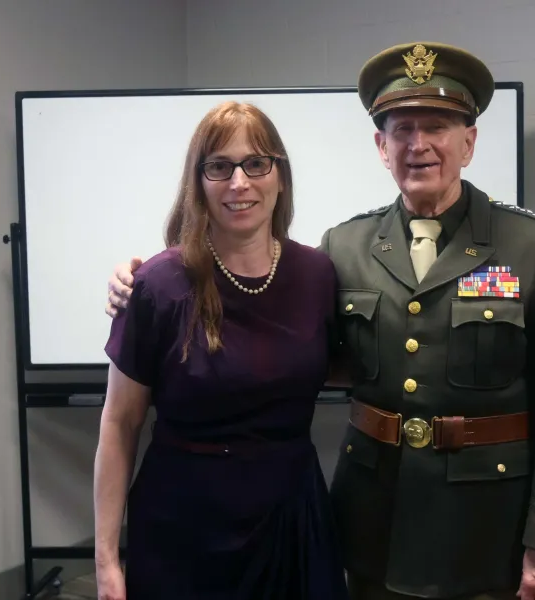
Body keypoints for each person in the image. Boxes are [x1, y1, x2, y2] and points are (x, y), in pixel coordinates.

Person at [107, 41, 535, 600]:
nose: (418, 145)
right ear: (381, 147)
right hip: (371, 526)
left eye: (436, 127)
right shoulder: (344, 249)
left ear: (468, 142)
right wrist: (136, 281)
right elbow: (273, 325)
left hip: (486, 531)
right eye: (401, 130)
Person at [94, 101, 349, 600]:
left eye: (256, 163)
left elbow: (345, 365)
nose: (239, 183)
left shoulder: (318, 274)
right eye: (219, 166)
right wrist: (105, 560)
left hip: (292, 521)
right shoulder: (157, 285)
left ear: (280, 175)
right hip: (183, 530)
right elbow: (119, 424)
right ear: (198, 181)